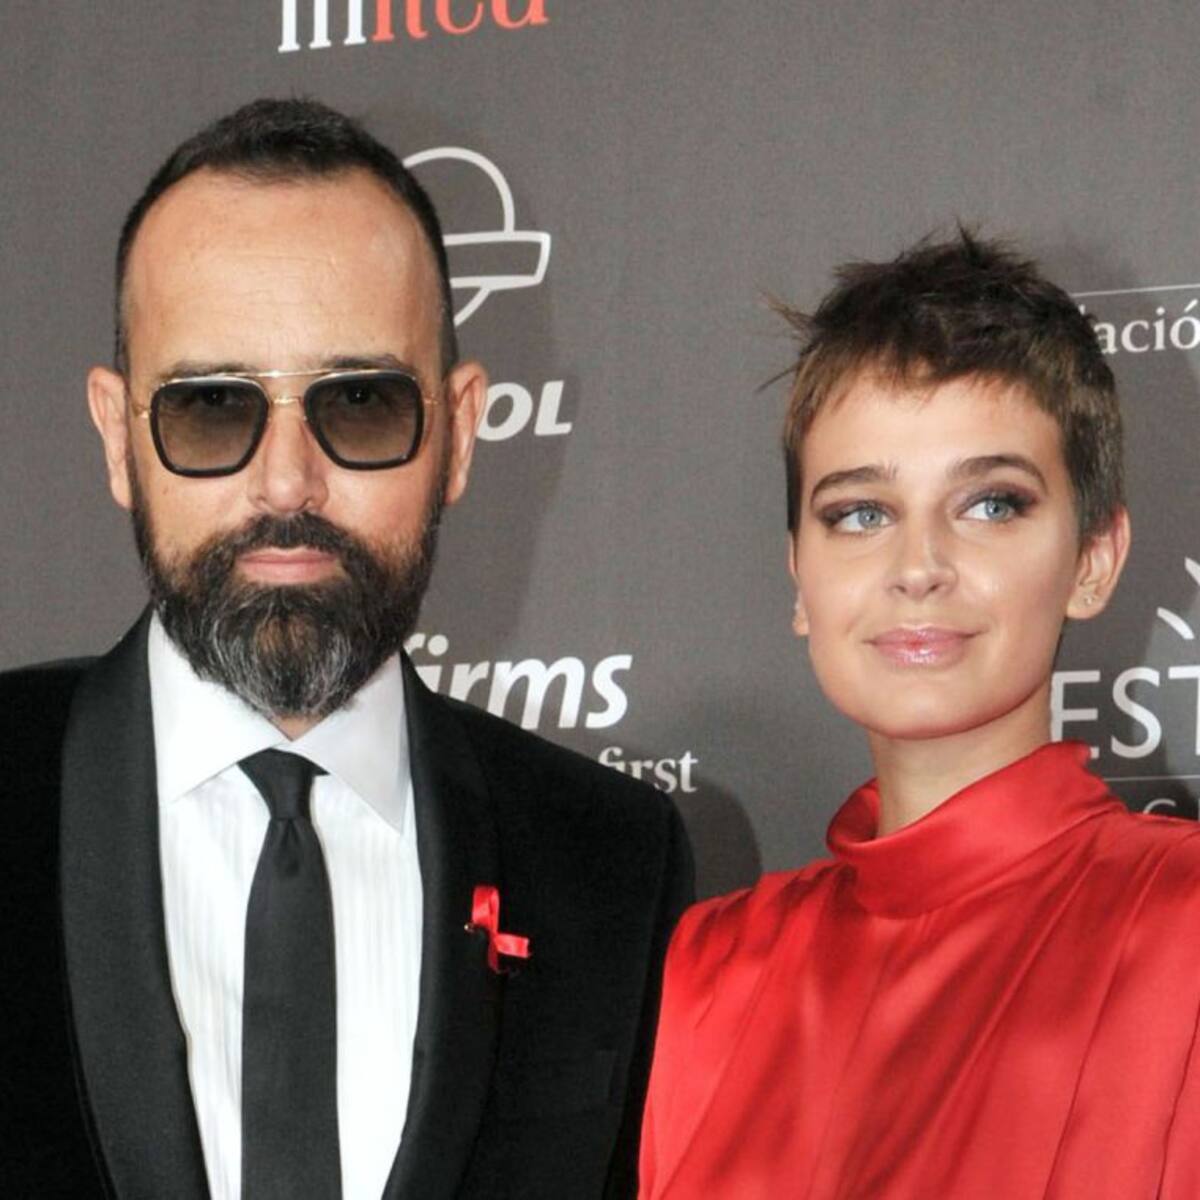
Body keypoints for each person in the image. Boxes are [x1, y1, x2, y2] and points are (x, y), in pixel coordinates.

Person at [0, 97, 691, 1200]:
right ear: (118, 438)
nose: (287, 483)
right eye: (211, 408)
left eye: (360, 404)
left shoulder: (610, 863)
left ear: (459, 432)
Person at [639, 232, 1200, 1199]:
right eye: (860, 513)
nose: (918, 566)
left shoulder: (1182, 925)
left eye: (990, 505)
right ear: (801, 578)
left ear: (1094, 559)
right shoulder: (715, 969)